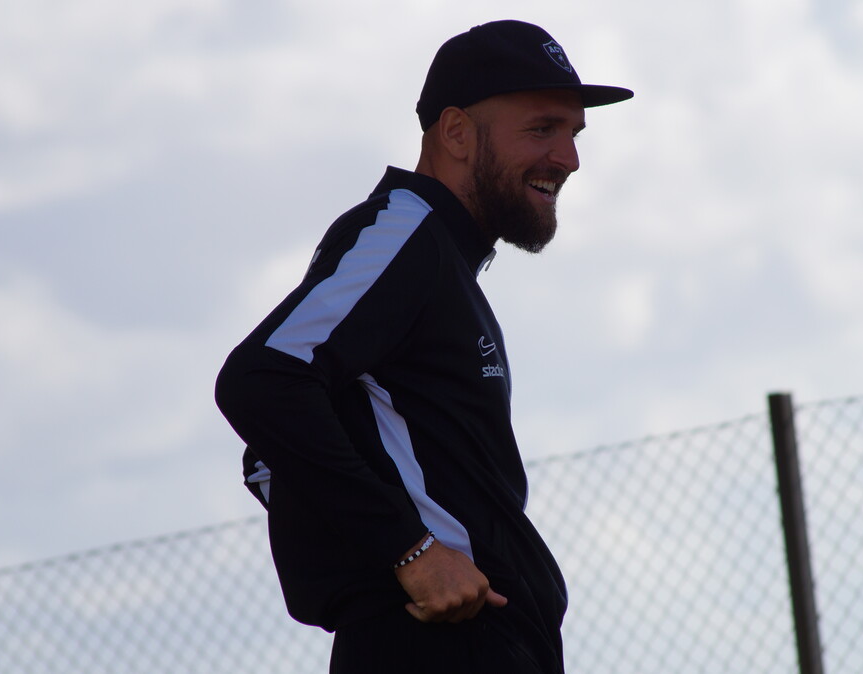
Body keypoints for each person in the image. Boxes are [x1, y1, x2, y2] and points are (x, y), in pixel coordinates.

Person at [215, 19, 632, 674]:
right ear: (457, 133)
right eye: (542, 129)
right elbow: (262, 379)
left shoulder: (436, 256)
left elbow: (273, 459)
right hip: (441, 644)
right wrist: (409, 552)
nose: (568, 158)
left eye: (574, 134)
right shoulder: (406, 232)